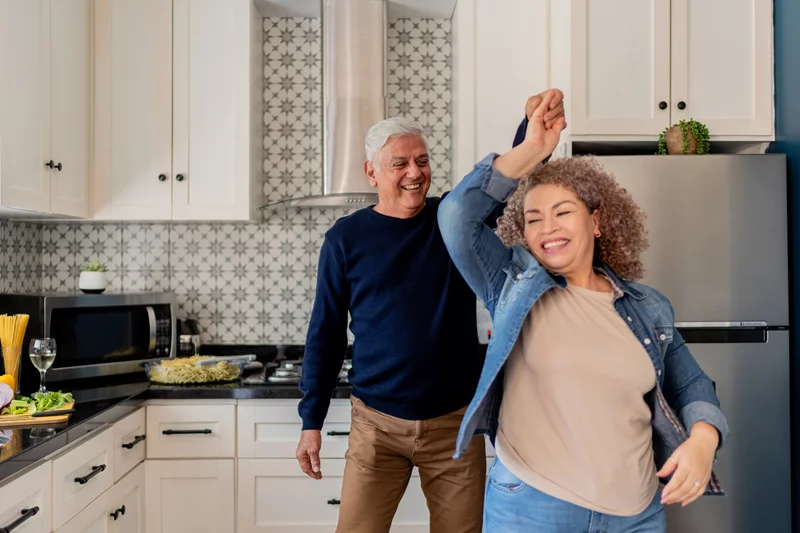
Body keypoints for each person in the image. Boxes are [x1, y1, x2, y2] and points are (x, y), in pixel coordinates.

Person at [437, 91, 729, 533]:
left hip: (637, 513)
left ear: (596, 221)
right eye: (533, 218)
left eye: (562, 212)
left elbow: (691, 383)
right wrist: (533, 149)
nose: (547, 228)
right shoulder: (512, 285)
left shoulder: (647, 306)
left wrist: (704, 442)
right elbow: (458, 216)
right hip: (533, 508)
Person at [295, 94, 566, 533]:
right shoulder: (344, 240)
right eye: (400, 163)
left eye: (421, 161)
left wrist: (532, 133)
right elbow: (325, 333)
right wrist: (312, 421)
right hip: (376, 428)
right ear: (372, 172)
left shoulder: (451, 223)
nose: (415, 173)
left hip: (455, 427)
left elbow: (502, 186)